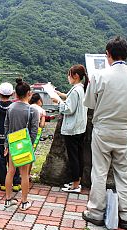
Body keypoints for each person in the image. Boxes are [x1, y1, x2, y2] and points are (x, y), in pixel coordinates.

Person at [82, 36, 127, 230]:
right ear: (126, 54)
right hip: (125, 130)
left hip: (103, 129)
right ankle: (125, 215)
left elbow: (90, 103)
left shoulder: (100, 76)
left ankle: (96, 212)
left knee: (99, 171)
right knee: (124, 173)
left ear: (108, 54)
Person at [52, 65, 88, 193]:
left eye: (69, 74)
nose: (68, 77)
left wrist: (57, 102)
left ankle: (75, 185)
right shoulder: (81, 88)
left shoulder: (76, 90)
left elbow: (68, 109)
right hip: (80, 128)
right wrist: (58, 94)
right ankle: (76, 181)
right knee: (78, 155)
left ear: (76, 76)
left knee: (73, 157)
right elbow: (69, 98)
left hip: (72, 129)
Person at [4, 78, 39, 210]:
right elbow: (34, 131)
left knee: (11, 171)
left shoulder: (10, 108)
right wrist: (30, 146)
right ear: (29, 93)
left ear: (16, 94)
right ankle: (24, 202)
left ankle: (8, 199)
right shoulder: (32, 110)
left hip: (12, 143)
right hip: (25, 144)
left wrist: (7, 144)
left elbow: (6, 127)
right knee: (24, 174)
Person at [0, 82, 21, 192]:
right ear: (13, 93)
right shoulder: (15, 107)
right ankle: (16, 183)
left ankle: (3, 183)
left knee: (1, 161)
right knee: (15, 160)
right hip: (13, 137)